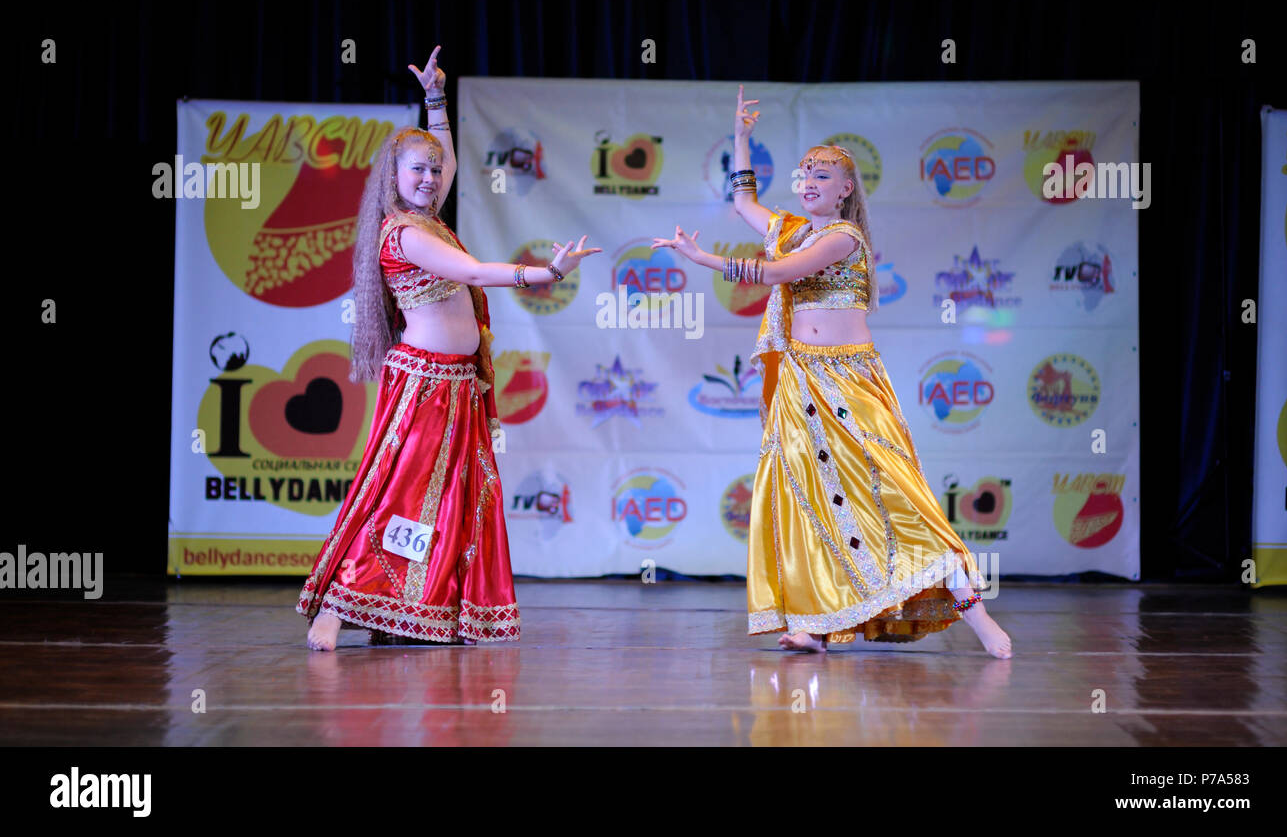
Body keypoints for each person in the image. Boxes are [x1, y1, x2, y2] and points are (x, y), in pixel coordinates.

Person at [652, 85, 1012, 658]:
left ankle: (980, 619)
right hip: (800, 379)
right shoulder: (794, 227)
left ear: (845, 189)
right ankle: (815, 623)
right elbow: (745, 207)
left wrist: (705, 260)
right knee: (804, 498)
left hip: (848, 380)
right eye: (804, 175)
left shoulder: (844, 237)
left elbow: (779, 274)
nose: (811, 182)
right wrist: (742, 140)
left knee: (896, 494)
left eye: (823, 175)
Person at [298, 47, 601, 651]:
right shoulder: (407, 233)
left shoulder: (430, 216)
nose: (431, 179)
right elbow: (475, 272)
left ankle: (420, 608)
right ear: (394, 178)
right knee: (400, 494)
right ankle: (337, 604)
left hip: (458, 383)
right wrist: (545, 274)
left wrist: (436, 98)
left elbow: (449, 157)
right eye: (418, 171)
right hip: (425, 384)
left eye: (434, 172)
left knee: (453, 501)